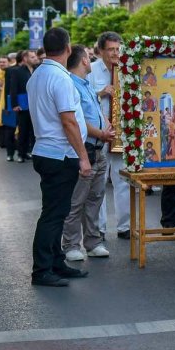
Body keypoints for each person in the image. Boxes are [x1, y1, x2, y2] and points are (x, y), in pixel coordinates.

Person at [27, 27, 93, 287]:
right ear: (68, 48)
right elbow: (69, 121)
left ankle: (56, 261)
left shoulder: (38, 75)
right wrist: (83, 157)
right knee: (54, 215)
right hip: (59, 154)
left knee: (57, 210)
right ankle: (42, 270)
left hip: (46, 150)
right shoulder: (60, 78)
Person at [61, 45, 114, 262]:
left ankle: (93, 242)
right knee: (77, 201)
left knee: (95, 198)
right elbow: (78, 120)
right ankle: (71, 245)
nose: (90, 59)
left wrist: (108, 126)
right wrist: (102, 133)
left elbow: (97, 112)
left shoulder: (86, 85)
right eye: (88, 56)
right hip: (86, 148)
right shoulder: (71, 85)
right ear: (83, 60)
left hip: (99, 149)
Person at [89, 32, 131, 240]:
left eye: (118, 49)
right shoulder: (92, 69)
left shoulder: (128, 68)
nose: (115, 53)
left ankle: (125, 226)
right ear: (101, 51)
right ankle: (100, 228)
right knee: (99, 181)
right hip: (98, 132)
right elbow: (84, 97)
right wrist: (102, 92)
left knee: (122, 178)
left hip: (121, 131)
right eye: (111, 50)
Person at [6, 50, 35, 162]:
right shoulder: (17, 71)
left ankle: (28, 151)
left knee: (33, 131)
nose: (35, 59)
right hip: (22, 105)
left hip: (35, 105)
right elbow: (13, 89)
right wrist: (14, 104)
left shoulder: (36, 70)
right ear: (25, 58)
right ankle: (20, 154)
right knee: (23, 130)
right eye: (32, 57)